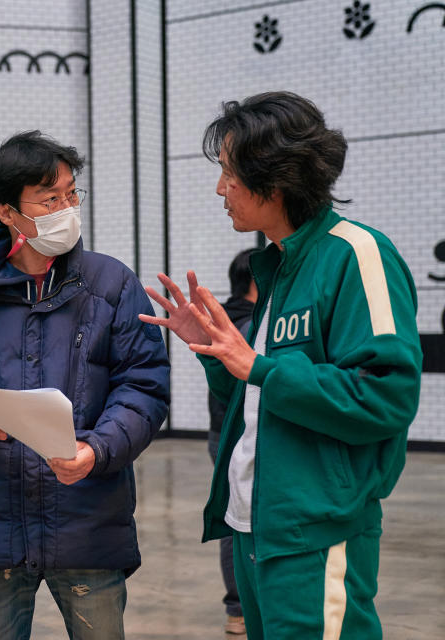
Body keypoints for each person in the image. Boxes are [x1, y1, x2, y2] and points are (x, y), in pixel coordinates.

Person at [140, 91, 422, 639]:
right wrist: (218, 356)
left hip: (316, 532)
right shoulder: (279, 265)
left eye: (228, 173)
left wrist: (260, 368)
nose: (220, 188)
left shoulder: (356, 254)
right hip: (256, 527)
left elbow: (386, 396)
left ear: (275, 177)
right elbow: (259, 393)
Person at [0, 130, 170, 639]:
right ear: (7, 211)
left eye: (72, 194)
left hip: (88, 518)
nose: (67, 208)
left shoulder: (111, 283)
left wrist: (96, 450)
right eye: (50, 199)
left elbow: (143, 387)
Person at [206, 249, 255, 635]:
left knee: (232, 513)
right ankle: (245, 606)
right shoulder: (254, 322)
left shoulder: (223, 319)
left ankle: (236, 610)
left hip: (217, 431)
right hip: (240, 431)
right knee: (242, 516)